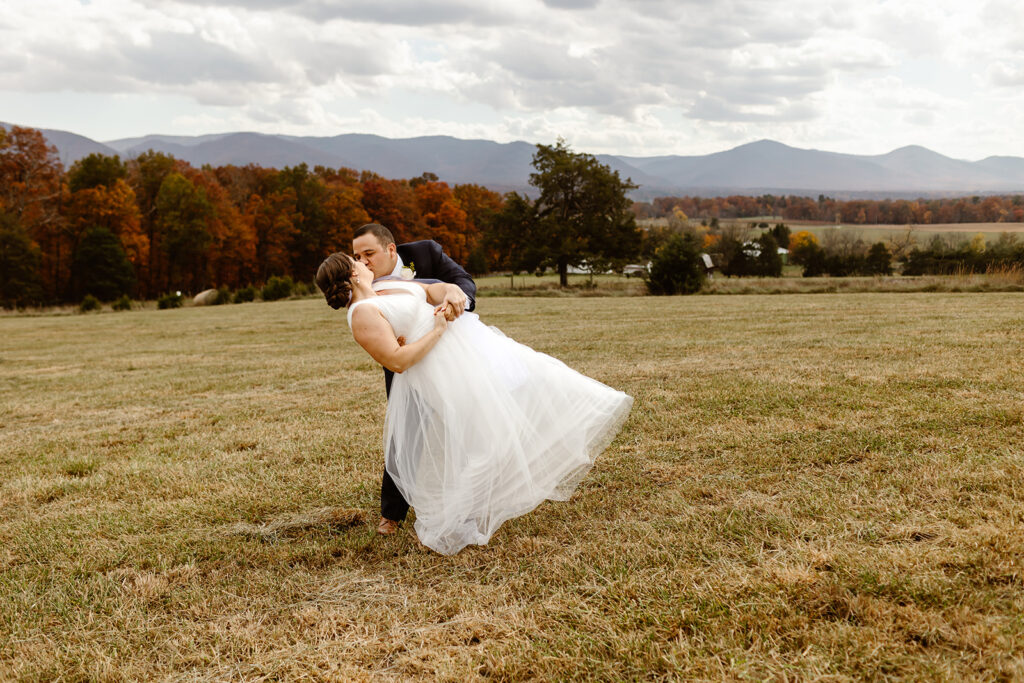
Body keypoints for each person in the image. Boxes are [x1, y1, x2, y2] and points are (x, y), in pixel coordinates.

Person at [316, 252, 633, 556]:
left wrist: (450, 292)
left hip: (472, 348)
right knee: (489, 444)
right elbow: (397, 361)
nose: (363, 261)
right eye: (356, 259)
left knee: (543, 375)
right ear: (353, 273)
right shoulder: (360, 314)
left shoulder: (387, 286)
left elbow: (428, 289)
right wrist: (438, 330)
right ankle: (446, 524)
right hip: (441, 370)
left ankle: (593, 407)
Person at [351, 223, 477, 535]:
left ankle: (469, 499)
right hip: (405, 357)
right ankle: (391, 514)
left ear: (390, 250)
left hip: (449, 347)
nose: (363, 262)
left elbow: (462, 280)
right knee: (404, 430)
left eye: (369, 254)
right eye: (357, 255)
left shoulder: (424, 253)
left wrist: (455, 296)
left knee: (463, 422)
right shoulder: (359, 282)